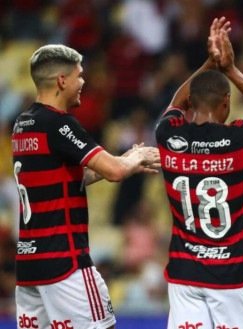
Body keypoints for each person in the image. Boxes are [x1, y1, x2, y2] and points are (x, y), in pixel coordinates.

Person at [12, 44, 160, 329]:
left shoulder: (24, 123)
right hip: (65, 264)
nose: (83, 82)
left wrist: (125, 159)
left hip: (30, 267)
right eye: (79, 76)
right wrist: (137, 156)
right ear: (61, 81)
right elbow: (115, 172)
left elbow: (64, 178)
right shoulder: (58, 124)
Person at [154, 18, 243, 329]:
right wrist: (230, 70)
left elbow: (176, 102)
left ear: (190, 105)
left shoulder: (168, 135)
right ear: (226, 103)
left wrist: (209, 64)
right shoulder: (239, 140)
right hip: (233, 275)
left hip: (185, 273)